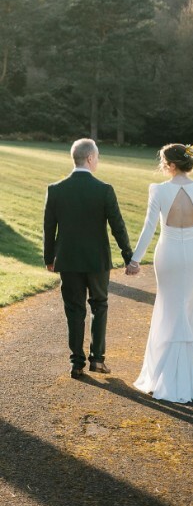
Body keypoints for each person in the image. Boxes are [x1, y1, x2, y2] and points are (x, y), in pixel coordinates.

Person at [128, 143, 193, 403]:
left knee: (169, 309)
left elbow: (149, 228)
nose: (163, 167)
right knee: (192, 310)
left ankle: (164, 375)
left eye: (164, 162)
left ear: (172, 165)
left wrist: (135, 260)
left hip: (169, 256)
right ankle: (187, 375)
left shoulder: (158, 191)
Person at [43, 138, 135, 378]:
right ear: (90, 158)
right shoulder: (104, 189)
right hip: (97, 261)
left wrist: (49, 258)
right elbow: (118, 227)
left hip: (68, 260)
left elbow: (48, 228)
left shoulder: (56, 189)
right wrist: (128, 257)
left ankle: (76, 363)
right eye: (98, 157)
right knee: (99, 305)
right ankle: (97, 360)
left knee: (74, 309)